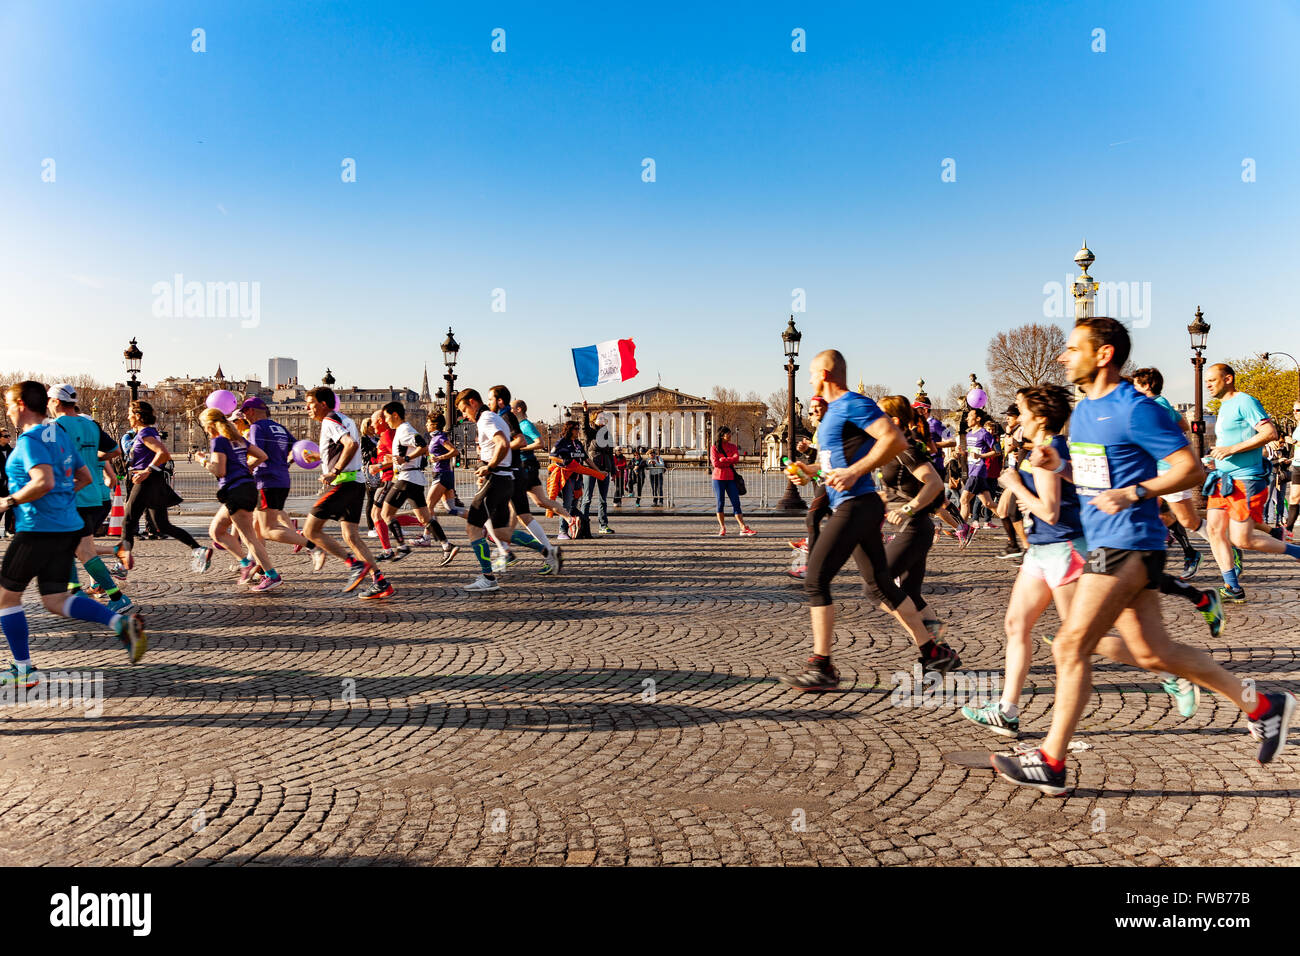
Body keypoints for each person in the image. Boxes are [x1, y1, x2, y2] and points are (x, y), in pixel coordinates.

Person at [990, 318, 1294, 796]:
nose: (1064, 357)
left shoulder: (1134, 408)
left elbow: (1189, 468)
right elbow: (1095, 475)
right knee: (1155, 653)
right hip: (1118, 542)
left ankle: (1051, 759)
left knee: (1071, 647)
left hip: (1126, 542)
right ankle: (1263, 705)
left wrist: (1135, 493)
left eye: (1073, 349)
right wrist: (1060, 466)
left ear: (1104, 354)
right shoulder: (1086, 411)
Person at [965, 384, 1212, 737]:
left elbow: (1050, 512)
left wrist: (1016, 487)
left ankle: (1170, 674)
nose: (1014, 418)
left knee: (1082, 639)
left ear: (1039, 417)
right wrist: (1012, 486)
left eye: (1019, 411)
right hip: (1041, 551)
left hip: (1066, 550)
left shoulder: (1051, 449)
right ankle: (1006, 710)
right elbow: (1019, 504)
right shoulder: (1035, 450)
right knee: (1016, 625)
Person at [778, 350, 961, 691]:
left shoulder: (852, 404)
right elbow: (836, 462)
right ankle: (932, 651)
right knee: (880, 587)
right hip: (857, 506)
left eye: (812, 372)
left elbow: (894, 439)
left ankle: (823, 667)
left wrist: (854, 471)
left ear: (825, 374)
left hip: (856, 506)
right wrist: (810, 471)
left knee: (815, 580)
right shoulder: (834, 414)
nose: (808, 379)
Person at [0, 381, 147, 685]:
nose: (7, 409)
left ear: (22, 404)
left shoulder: (30, 440)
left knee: (5, 598)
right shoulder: (61, 437)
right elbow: (82, 475)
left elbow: (43, 482)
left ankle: (23, 670)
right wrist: (63, 499)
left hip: (38, 527)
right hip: (66, 525)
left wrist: (8, 502)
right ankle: (121, 623)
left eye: (8, 403)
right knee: (55, 599)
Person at [1203, 362, 1300, 602]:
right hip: (1222, 479)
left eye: (1212, 380)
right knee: (1214, 530)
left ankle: (1297, 552)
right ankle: (1232, 586)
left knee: (1241, 539)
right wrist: (1217, 457)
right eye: (1206, 381)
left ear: (1228, 379)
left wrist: (1231, 450)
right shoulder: (1224, 406)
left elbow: (1270, 434)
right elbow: (1233, 444)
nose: (1208, 385)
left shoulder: (1245, 401)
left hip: (1246, 480)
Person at [47, 385, 135, 613]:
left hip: (70, 495)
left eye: (49, 400)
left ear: (56, 402)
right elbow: (116, 451)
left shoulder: (54, 426)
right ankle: (77, 591)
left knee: (79, 550)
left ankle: (115, 596)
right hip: (93, 497)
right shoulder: (91, 425)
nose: (47, 404)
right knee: (74, 548)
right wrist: (92, 459)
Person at [301, 387, 392, 599]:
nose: (307, 408)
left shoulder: (329, 421)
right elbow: (347, 448)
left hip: (343, 483)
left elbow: (350, 445)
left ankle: (353, 564)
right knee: (351, 536)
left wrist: (334, 471)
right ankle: (380, 581)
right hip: (356, 482)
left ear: (323, 403)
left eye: (310, 403)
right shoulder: (345, 419)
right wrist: (319, 457)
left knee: (310, 531)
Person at [875, 396, 950, 638]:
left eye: (879, 415)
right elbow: (897, 490)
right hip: (917, 527)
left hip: (913, 528)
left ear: (894, 420)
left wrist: (908, 509)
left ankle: (930, 646)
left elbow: (935, 483)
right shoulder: (893, 448)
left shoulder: (904, 449)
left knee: (876, 585)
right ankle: (939, 649)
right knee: (911, 593)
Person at [115, 400, 209, 572]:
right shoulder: (146, 432)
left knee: (128, 521)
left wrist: (146, 471)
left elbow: (164, 454)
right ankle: (198, 549)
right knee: (163, 525)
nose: (127, 416)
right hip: (154, 482)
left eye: (130, 413)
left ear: (137, 416)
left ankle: (121, 565)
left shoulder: (145, 434)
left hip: (145, 482)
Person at [1131, 368, 1204, 580]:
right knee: (1156, 512)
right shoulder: (1162, 403)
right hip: (1159, 468)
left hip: (1169, 468)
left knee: (1187, 520)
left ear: (1146, 385)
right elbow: (1183, 425)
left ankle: (1217, 543)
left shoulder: (1153, 405)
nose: (1134, 389)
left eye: (1136, 384)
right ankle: (1183, 554)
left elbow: (1181, 427)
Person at [197, 408, 282, 590]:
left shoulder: (219, 441)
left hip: (236, 490)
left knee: (249, 538)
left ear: (211, 425)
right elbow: (262, 455)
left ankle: (272, 575)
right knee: (216, 531)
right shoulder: (238, 439)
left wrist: (203, 461)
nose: (205, 430)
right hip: (245, 488)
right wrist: (248, 468)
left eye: (204, 426)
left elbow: (220, 471)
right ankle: (245, 562)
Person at [489, 386, 560, 575]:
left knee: (494, 519)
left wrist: (499, 451)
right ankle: (513, 551)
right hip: (516, 472)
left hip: (510, 473)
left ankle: (507, 551)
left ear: (500, 401)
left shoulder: (505, 417)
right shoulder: (506, 417)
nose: (489, 404)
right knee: (522, 515)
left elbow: (519, 442)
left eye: (491, 400)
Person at [379, 401, 458, 565]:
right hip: (414, 479)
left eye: (387, 417)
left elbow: (422, 446)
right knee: (425, 518)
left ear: (395, 415)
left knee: (385, 513)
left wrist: (406, 458)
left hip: (406, 478)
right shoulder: (402, 430)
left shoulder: (404, 430)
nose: (385, 420)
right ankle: (446, 545)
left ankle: (402, 547)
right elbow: (407, 453)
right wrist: (389, 461)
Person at [240, 396, 313, 560]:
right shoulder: (279, 427)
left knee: (267, 529)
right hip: (282, 479)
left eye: (244, 412)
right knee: (257, 527)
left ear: (251, 411)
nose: (244, 417)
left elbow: (258, 454)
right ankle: (256, 565)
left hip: (266, 480)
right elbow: (297, 449)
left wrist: (246, 467)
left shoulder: (256, 427)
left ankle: (312, 545)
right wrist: (286, 463)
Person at [457, 388, 514, 592]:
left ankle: (488, 577)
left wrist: (489, 467)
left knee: (472, 527)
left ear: (472, 402)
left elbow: (503, 443)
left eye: (464, 410)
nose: (464, 416)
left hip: (496, 478)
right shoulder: (494, 417)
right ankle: (545, 549)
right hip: (505, 478)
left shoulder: (485, 420)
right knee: (499, 530)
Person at [508, 400, 577, 538]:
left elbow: (540, 443)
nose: (510, 411)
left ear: (519, 409)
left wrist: (519, 447)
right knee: (540, 502)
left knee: (515, 505)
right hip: (526, 465)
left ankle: (504, 538)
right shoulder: (519, 425)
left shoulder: (525, 425)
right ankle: (570, 519)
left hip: (525, 465)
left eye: (512, 408)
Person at [710, 425, 754, 536]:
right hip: (718, 479)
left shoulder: (733, 446)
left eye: (730, 434)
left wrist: (724, 459)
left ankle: (743, 527)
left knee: (736, 503)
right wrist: (729, 460)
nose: (730, 436)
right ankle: (722, 527)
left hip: (730, 478)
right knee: (720, 503)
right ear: (721, 435)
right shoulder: (714, 447)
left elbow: (736, 459)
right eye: (728, 434)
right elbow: (715, 463)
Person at [959, 408, 999, 530]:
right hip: (972, 471)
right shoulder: (969, 433)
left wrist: (981, 456)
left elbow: (997, 451)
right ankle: (1012, 521)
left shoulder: (984, 433)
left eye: (970, 416)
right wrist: (963, 453)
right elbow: (972, 452)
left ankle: (961, 530)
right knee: (988, 503)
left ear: (978, 419)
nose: (967, 418)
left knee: (964, 500)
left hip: (978, 471)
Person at [579, 401, 615, 534]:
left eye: (604, 417)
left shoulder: (607, 434)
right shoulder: (590, 433)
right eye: (600, 417)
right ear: (594, 419)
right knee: (587, 498)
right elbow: (584, 427)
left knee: (603, 500)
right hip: (591, 469)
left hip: (604, 469)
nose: (603, 419)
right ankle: (583, 524)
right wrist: (585, 411)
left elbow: (610, 454)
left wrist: (614, 470)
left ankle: (603, 525)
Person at [550, 421, 588, 540]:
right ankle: (562, 531)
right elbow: (552, 456)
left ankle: (573, 528)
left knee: (573, 505)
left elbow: (586, 458)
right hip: (567, 477)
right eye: (576, 429)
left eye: (579, 428)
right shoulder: (562, 442)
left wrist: (598, 471)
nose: (578, 431)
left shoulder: (578, 443)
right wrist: (563, 462)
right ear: (570, 429)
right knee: (567, 504)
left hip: (578, 477)